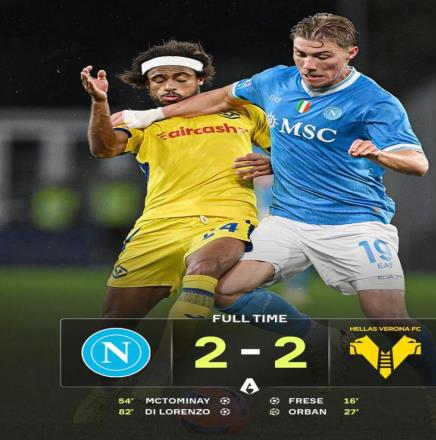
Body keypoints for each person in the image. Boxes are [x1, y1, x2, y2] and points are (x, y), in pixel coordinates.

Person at [112, 14, 436, 430]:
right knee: (224, 290)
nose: (309, 65)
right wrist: (150, 117)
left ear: (350, 53)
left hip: (354, 223)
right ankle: (321, 339)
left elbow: (417, 163)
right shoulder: (276, 81)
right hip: (288, 220)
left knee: (387, 317)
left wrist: (379, 154)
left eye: (322, 57)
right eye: (301, 54)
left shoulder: (375, 101)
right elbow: (220, 98)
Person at [75, 39, 321, 423]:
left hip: (226, 215)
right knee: (116, 321)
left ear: (201, 80)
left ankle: (162, 372)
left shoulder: (243, 112)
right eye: (159, 80)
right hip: (158, 225)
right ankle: (105, 391)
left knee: (205, 269)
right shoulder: (143, 121)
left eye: (180, 78)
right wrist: (99, 102)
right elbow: (103, 148)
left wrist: (274, 163)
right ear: (148, 85)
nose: (170, 86)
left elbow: (299, 152)